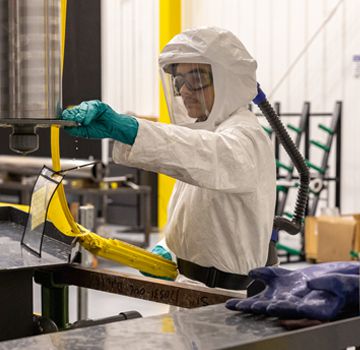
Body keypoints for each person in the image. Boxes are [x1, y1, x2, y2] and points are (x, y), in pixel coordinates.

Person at [61, 27, 276, 292]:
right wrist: (168, 248)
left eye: (196, 79)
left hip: (228, 297)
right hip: (190, 288)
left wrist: (129, 129)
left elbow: (206, 154)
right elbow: (196, 215)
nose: (184, 91)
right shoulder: (205, 133)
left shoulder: (245, 138)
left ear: (228, 81)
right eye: (179, 81)